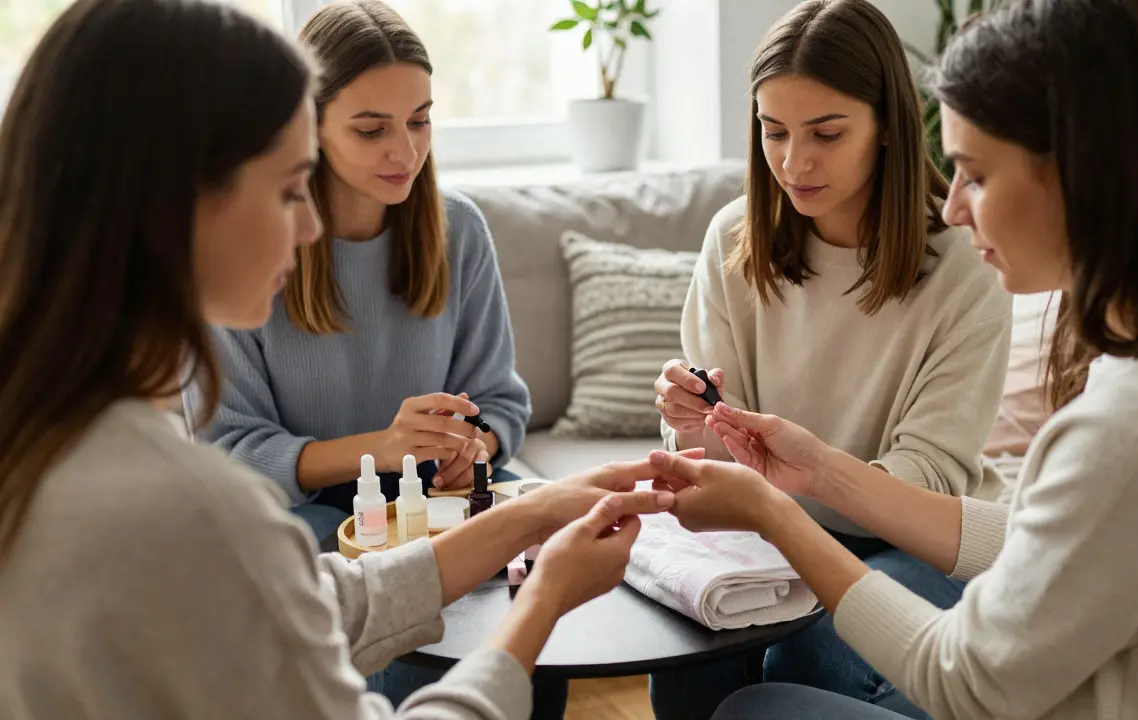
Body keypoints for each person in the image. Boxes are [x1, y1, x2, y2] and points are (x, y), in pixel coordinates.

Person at [0, 1, 691, 718]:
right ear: (175, 206)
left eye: (420, 119)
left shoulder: (54, 445)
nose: (307, 227)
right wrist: (540, 604)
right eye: (288, 187)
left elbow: (302, 602)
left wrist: (524, 512)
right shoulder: (198, 511)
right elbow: (261, 558)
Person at [647, 0, 1138, 718]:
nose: (952, 208)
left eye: (975, 175)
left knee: (755, 711)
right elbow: (1052, 540)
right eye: (775, 132)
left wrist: (778, 512)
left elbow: (969, 684)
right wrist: (808, 469)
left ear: (1084, 173)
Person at [649, 1, 1010, 717]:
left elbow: (926, 476)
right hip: (764, 530)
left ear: (885, 127)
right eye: (773, 131)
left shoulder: (963, 265)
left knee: (812, 659)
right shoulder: (733, 240)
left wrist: (801, 485)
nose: (793, 161)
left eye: (826, 133)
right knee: (686, 665)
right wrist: (689, 421)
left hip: (913, 540)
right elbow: (721, 455)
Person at [183, 0, 531, 545]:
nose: (407, 151)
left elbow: (499, 403)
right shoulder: (245, 244)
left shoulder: (458, 229)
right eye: (372, 130)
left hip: (441, 501)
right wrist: (382, 449)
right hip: (305, 512)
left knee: (564, 527)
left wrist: (473, 446)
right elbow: (227, 451)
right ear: (309, 126)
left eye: (420, 120)